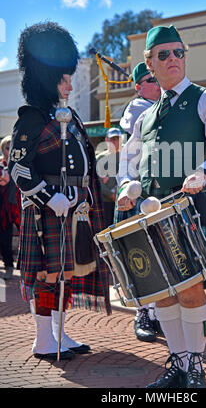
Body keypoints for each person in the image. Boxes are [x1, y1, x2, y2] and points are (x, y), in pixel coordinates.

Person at [117, 25, 206, 388]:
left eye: (178, 52)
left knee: (189, 290)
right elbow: (130, 162)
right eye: (163, 54)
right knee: (162, 292)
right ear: (149, 65)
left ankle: (196, 367)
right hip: (150, 215)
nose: (173, 58)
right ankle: (180, 362)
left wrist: (205, 171)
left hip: (188, 208)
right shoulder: (145, 117)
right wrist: (130, 185)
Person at [8, 22, 111, 360]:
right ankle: (42, 340)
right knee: (47, 274)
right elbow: (19, 168)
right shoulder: (32, 117)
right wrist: (48, 197)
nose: (70, 83)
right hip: (46, 210)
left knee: (66, 272)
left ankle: (59, 334)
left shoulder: (69, 114)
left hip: (75, 207)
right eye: (63, 77)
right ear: (44, 77)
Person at [118, 62, 162, 343]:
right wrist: (126, 187)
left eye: (157, 78)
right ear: (138, 87)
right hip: (140, 193)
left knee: (164, 255)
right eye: (150, 79)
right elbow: (127, 160)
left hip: (164, 192)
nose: (156, 83)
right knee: (143, 257)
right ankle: (144, 313)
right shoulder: (136, 111)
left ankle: (160, 314)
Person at [0, 136, 21, 280]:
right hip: (4, 209)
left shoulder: (22, 162)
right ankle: (8, 266)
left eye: (12, 146)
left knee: (28, 238)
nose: (10, 150)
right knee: (4, 240)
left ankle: (29, 268)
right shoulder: (1, 165)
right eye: (7, 147)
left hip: (20, 207)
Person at [96, 127, 123, 229]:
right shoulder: (100, 158)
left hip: (124, 199)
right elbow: (98, 181)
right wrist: (111, 194)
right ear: (106, 140)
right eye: (112, 139)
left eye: (117, 139)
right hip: (106, 201)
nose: (115, 142)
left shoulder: (127, 155)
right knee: (107, 229)